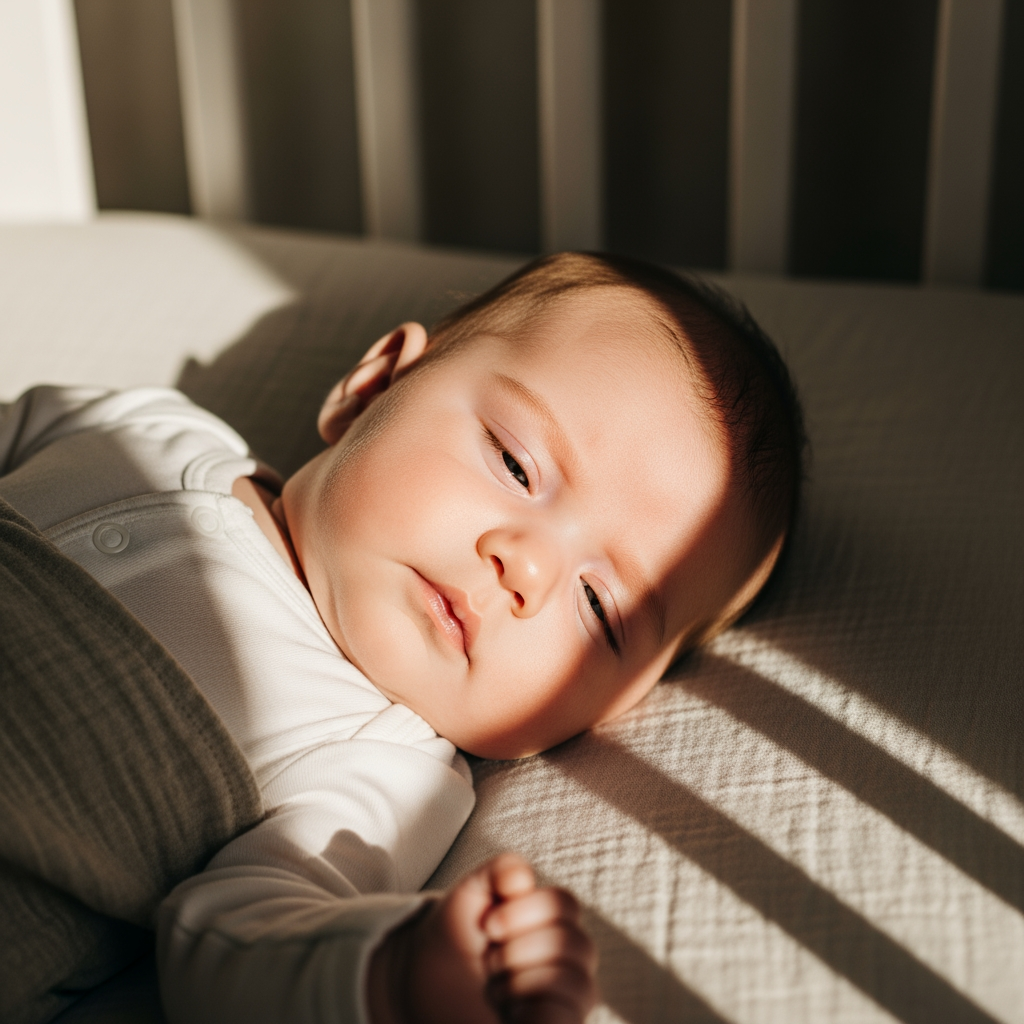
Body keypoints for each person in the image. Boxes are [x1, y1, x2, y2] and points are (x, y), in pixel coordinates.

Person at [0, 252, 803, 1024]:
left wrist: (397, 976)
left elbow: (232, 943)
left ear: (611, 706)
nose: (524, 569)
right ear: (373, 385)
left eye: (599, 606)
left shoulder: (386, 767)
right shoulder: (152, 427)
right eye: (517, 466)